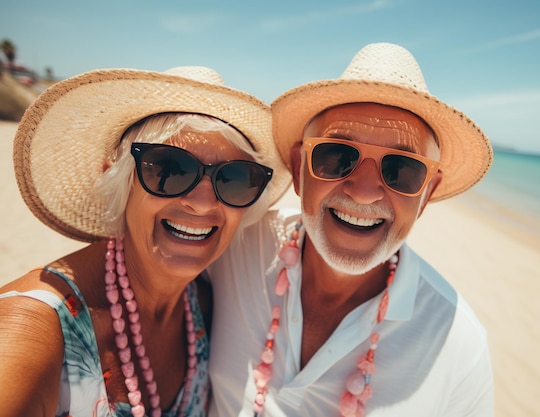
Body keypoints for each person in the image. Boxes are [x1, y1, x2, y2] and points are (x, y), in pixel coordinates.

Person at [207, 42, 494, 416]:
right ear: (298, 168)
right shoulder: (234, 246)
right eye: (337, 156)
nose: (363, 191)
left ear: (427, 194)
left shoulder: (459, 347)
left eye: (401, 170)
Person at [0, 66, 290, 417]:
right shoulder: (32, 330)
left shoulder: (204, 306)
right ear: (116, 177)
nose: (202, 202)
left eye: (234, 178)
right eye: (169, 169)